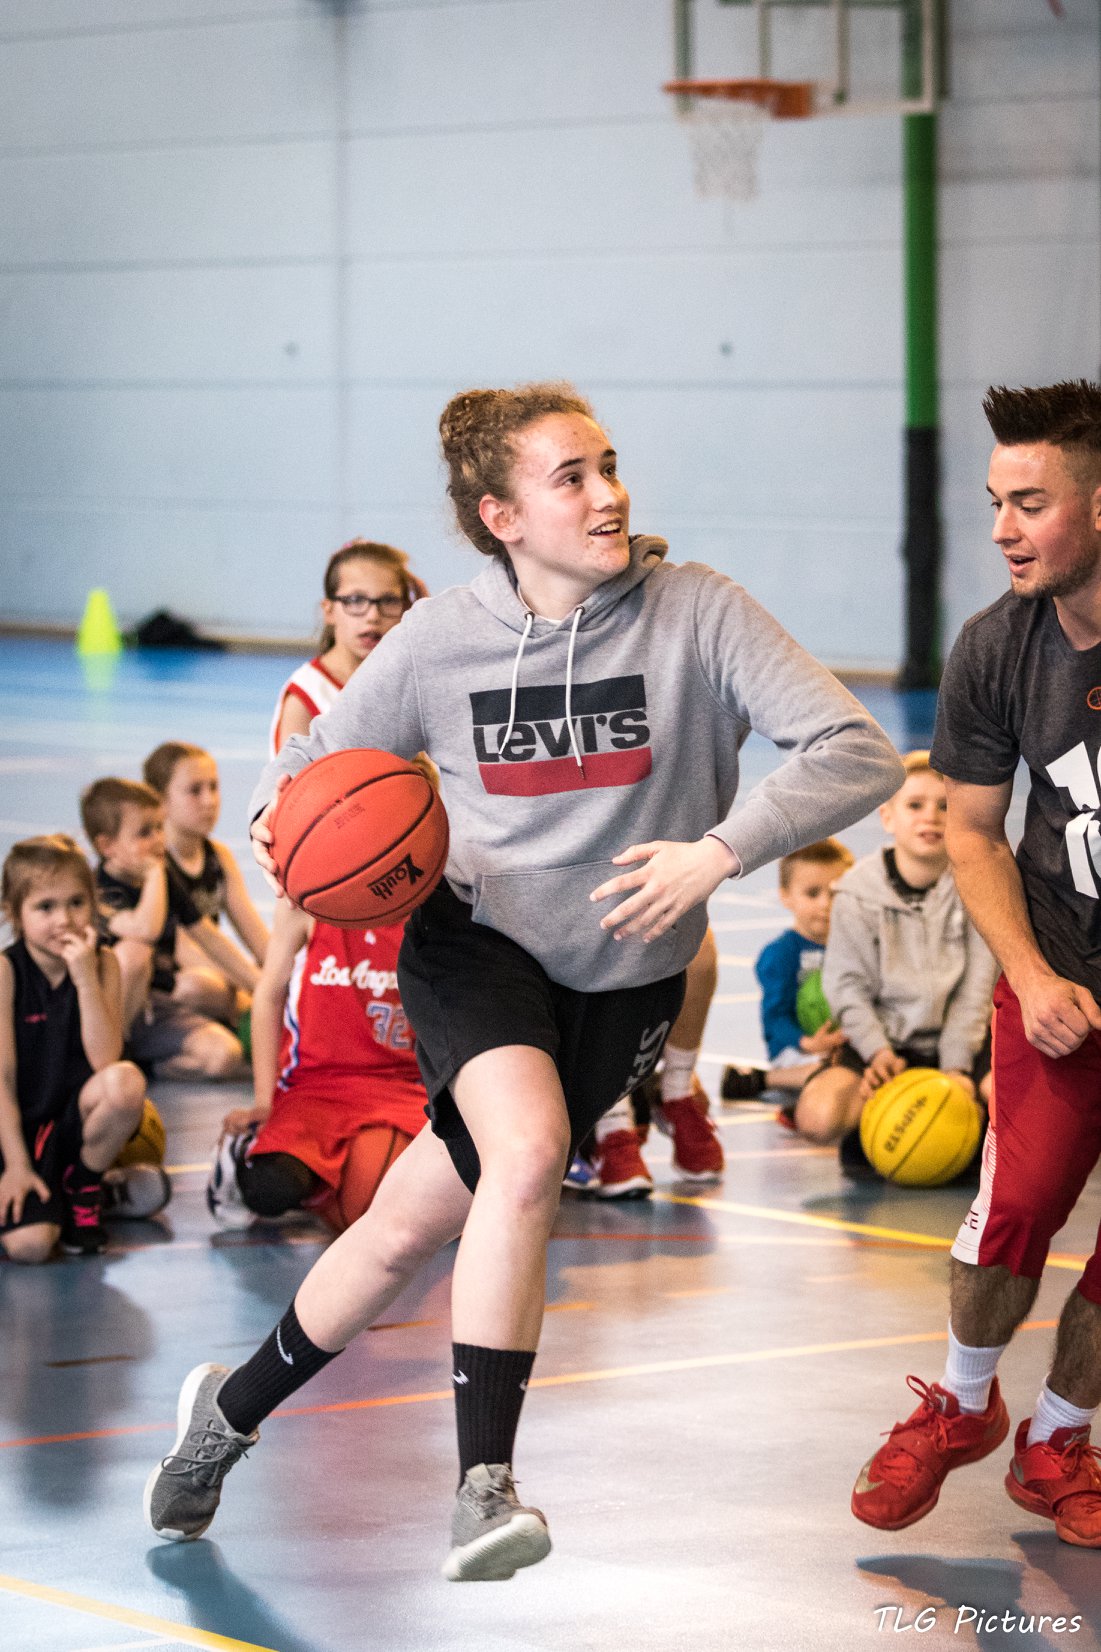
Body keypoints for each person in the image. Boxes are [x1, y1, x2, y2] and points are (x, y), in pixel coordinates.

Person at [144, 379, 903, 1578]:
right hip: (476, 946)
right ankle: (484, 1487)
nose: (609, 494)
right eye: (572, 477)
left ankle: (224, 1415)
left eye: (610, 465)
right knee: (535, 1150)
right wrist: (278, 822)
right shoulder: (440, 638)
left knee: (405, 1226)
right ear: (502, 515)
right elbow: (309, 762)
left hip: (626, 976)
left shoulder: (699, 612)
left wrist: (717, 851)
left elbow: (857, 749)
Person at [851, 379, 1101, 1548]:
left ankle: (1059, 1438)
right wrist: (1032, 976)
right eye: (996, 500)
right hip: (1057, 970)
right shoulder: (997, 646)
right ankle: (960, 1402)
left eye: (1030, 502)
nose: (1002, 527)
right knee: (1015, 1208)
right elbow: (972, 829)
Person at [796, 753, 996, 1159]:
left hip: (962, 1043)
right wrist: (878, 1053)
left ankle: (966, 1129)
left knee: (1005, 1099)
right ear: (887, 817)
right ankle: (881, 1119)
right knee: (818, 1117)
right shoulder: (854, 893)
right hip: (887, 1044)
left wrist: (955, 1068)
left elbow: (976, 991)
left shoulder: (979, 884)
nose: (931, 817)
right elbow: (847, 987)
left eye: (945, 806)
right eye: (915, 805)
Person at [205, 897, 427, 1231]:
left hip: (402, 1086)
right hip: (315, 1086)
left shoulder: (426, 903)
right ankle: (246, 1150)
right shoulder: (307, 902)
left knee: (408, 1188)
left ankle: (328, 1191)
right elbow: (268, 996)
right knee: (270, 1188)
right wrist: (265, 1103)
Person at [0, 835, 147, 1259]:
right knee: (31, 1247)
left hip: (70, 1126)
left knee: (125, 1083)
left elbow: (105, 1060)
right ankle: (103, 1196)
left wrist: (84, 980)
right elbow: (2, 1078)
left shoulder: (103, 963)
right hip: (16, 1132)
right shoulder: (7, 972)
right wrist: (16, 1165)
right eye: (45, 907)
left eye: (76, 903)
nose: (64, 919)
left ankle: (84, 1184)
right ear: (14, 913)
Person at [81, 778, 247, 1079]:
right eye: (145, 832)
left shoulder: (163, 877)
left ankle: (145, 1066)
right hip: (108, 1013)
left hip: (157, 1005)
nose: (159, 839)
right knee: (134, 953)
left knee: (225, 1056)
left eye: (159, 827)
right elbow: (146, 929)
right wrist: (155, 873)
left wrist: (260, 985)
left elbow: (209, 937)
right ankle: (114, 1054)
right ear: (107, 846)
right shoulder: (100, 892)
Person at [568, 927, 725, 1199]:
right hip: (570, 1060)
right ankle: (610, 1124)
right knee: (598, 942)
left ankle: (676, 1091)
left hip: (628, 1059)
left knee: (697, 943)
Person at [720, 838, 854, 1116]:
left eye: (836, 892)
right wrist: (807, 1043)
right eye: (812, 893)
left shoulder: (857, 947)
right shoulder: (780, 954)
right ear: (785, 896)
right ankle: (763, 1080)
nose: (826, 904)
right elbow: (776, 1017)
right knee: (830, 1073)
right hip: (797, 1051)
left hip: (844, 1044)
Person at [143, 741, 269, 1035]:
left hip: (217, 973)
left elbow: (256, 935)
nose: (209, 800)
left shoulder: (218, 857)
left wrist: (291, 975)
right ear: (160, 801)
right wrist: (257, 990)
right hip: (174, 984)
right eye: (194, 790)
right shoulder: (156, 865)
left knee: (282, 964)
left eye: (213, 787)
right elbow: (186, 950)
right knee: (202, 985)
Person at [270, 539, 427, 756]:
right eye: (355, 600)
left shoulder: (411, 683)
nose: (373, 616)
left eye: (389, 601)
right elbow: (291, 777)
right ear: (328, 611)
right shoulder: (306, 696)